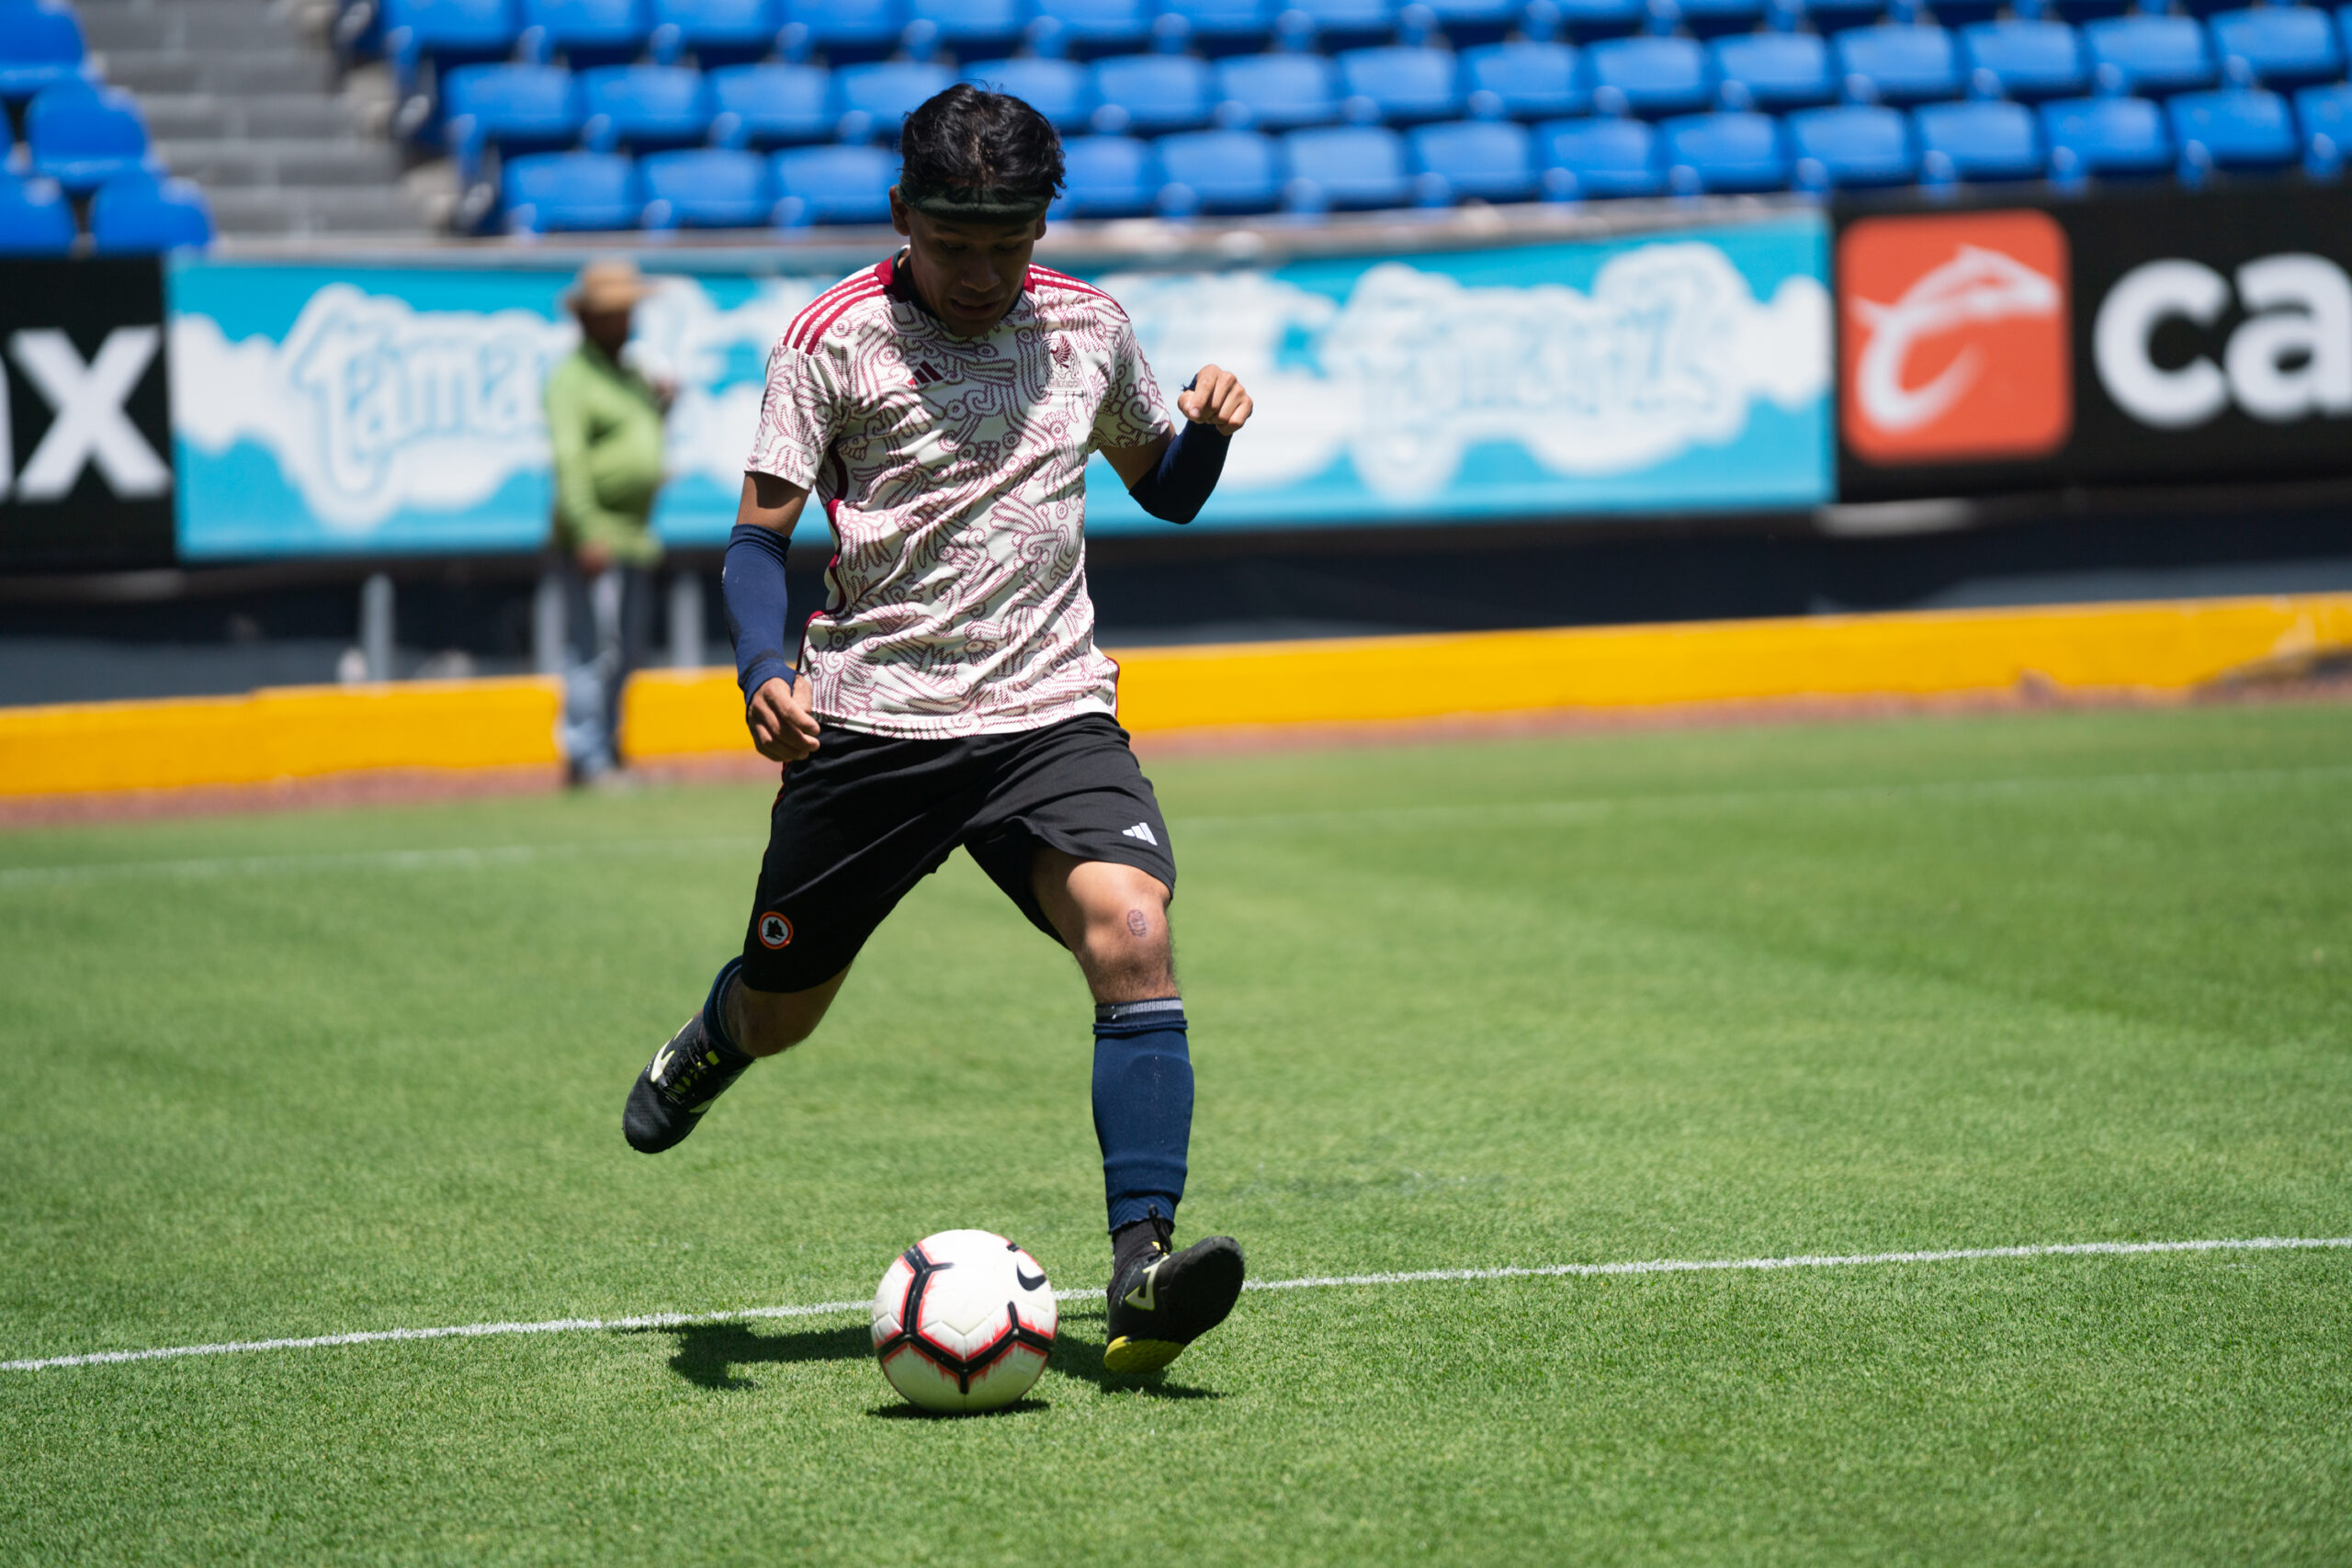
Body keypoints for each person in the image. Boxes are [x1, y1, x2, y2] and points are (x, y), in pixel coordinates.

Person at [619, 85, 1257, 1376]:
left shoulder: (1090, 329)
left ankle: (1142, 1267)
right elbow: (756, 538)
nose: (979, 272)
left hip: (1048, 711)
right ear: (900, 214)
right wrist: (761, 670)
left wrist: (1205, 433)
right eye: (952, 242)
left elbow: (1167, 492)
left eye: (1007, 244)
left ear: (1041, 228)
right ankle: (717, 1035)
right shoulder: (831, 340)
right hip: (870, 724)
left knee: (1132, 930)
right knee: (785, 1013)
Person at [545, 258, 673, 786]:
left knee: (624, 654)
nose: (627, 321)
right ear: (588, 319)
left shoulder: (630, 375)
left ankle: (609, 750)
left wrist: (662, 408)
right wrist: (585, 529)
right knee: (593, 649)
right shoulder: (571, 379)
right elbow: (570, 463)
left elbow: (636, 442)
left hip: (633, 535)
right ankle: (586, 757)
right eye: (615, 313)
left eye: (627, 311)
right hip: (597, 535)